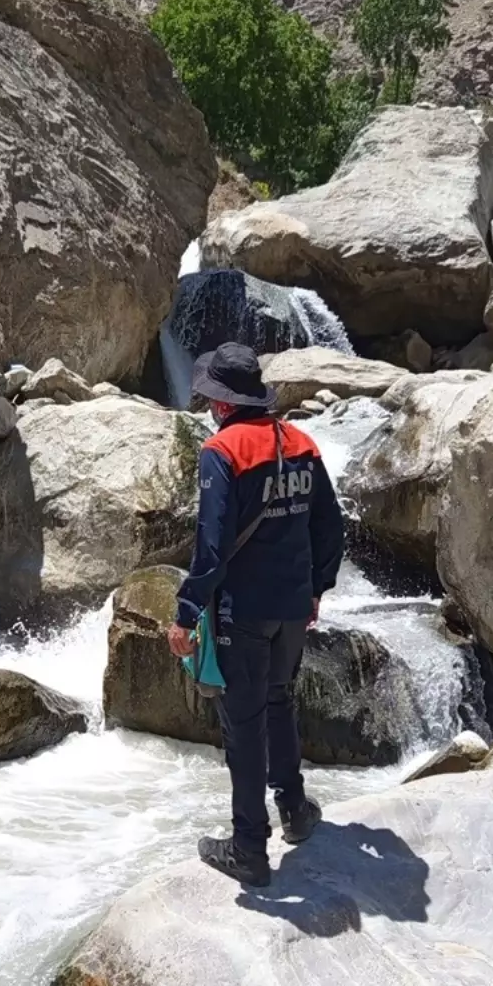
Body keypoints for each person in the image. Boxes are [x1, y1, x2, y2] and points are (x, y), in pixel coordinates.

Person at [167, 342, 344, 888]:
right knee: (280, 703)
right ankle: (294, 810)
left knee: (242, 728)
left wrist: (186, 610)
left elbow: (212, 545)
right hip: (293, 606)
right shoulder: (302, 443)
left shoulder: (222, 451)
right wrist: (317, 589)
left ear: (221, 403)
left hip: (242, 613)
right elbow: (330, 530)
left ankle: (248, 848)